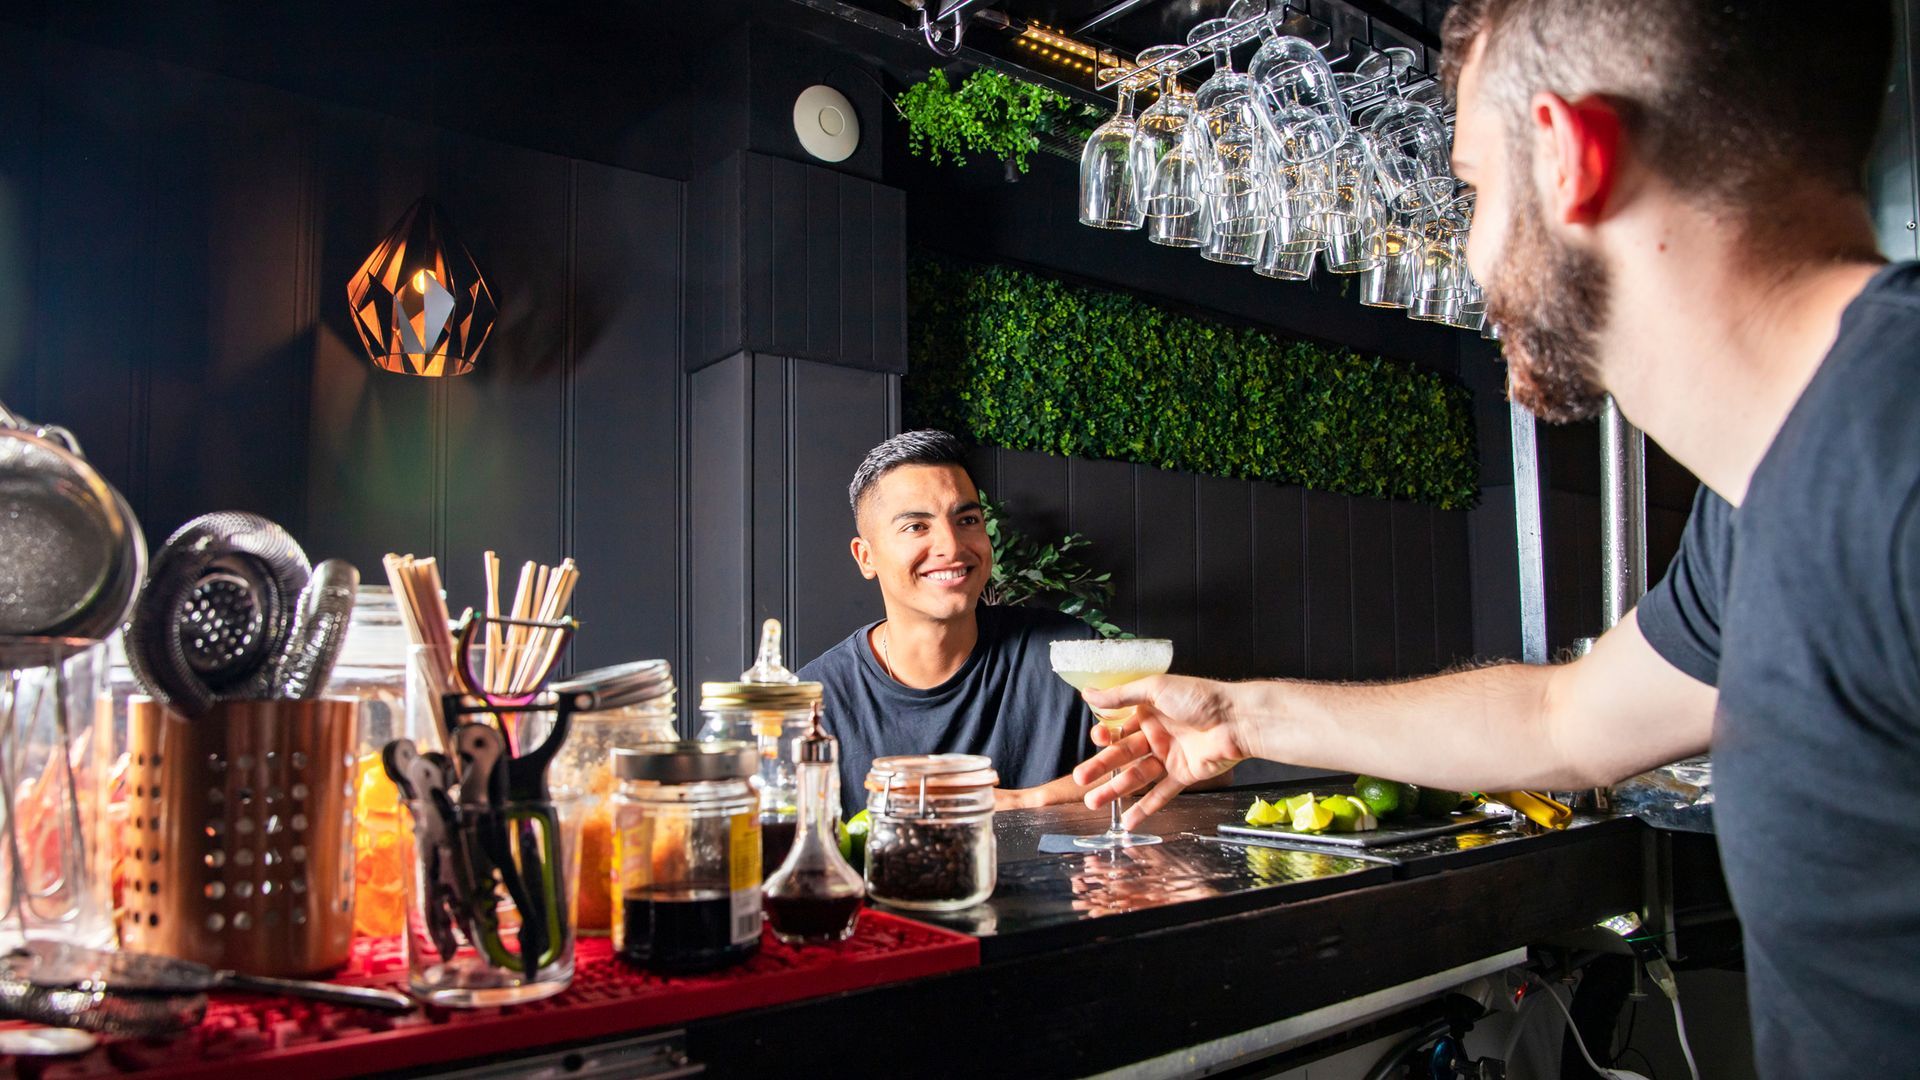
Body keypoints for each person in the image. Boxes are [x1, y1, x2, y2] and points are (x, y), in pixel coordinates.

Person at [1071, 1, 1908, 1074]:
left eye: (1472, 188)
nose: (1466, 251)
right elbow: (1570, 720)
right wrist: (1241, 713)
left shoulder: (1897, 452)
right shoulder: (1765, 501)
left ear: (1569, 160)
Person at [799, 430, 1106, 816]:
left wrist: (1025, 802)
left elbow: (1175, 760)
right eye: (916, 526)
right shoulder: (811, 705)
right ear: (866, 557)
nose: (952, 546)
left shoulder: (1071, 652)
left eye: (967, 519)